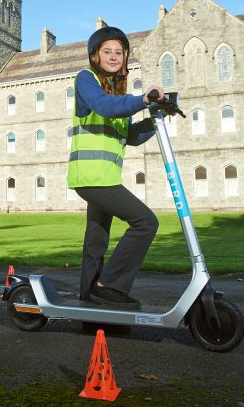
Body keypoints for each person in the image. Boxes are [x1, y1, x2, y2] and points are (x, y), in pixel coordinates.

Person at [67, 26, 164, 309]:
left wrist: (156, 119)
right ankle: (109, 286)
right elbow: (104, 106)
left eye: (118, 52)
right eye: (107, 51)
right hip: (91, 177)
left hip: (104, 178)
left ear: (125, 58)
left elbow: (131, 138)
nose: (113, 56)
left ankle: (91, 307)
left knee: (95, 243)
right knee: (146, 222)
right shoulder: (86, 80)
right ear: (95, 56)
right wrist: (142, 100)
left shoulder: (118, 93)